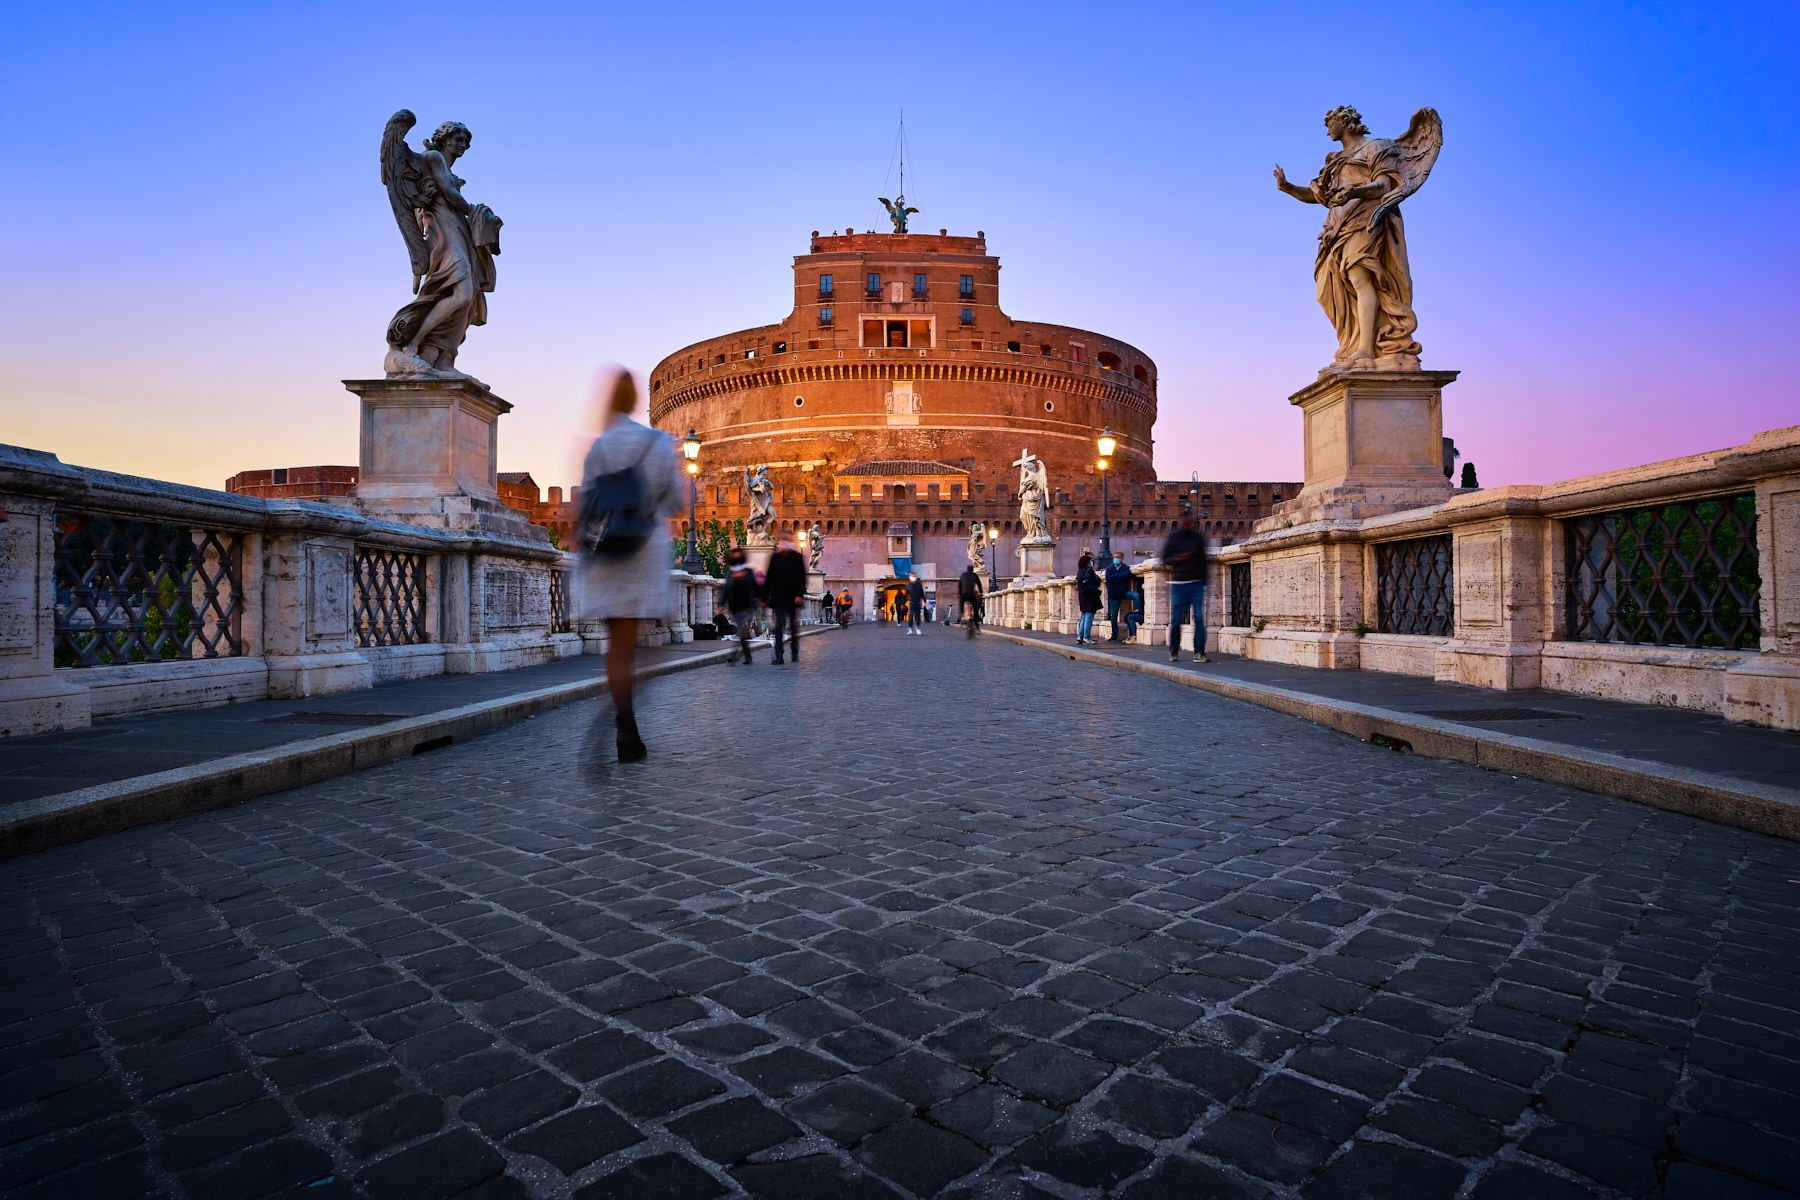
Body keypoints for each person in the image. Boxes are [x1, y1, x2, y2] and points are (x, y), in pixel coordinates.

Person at [577, 371, 680, 763]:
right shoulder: (656, 442)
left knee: (617, 649)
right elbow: (674, 498)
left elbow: (586, 501)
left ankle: (625, 718)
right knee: (657, 641)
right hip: (643, 551)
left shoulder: (599, 446)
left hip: (606, 554)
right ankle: (621, 717)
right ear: (636, 399)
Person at [1160, 516, 1210, 663]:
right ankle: (1173, 650)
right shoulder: (1174, 538)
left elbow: (1203, 560)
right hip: (1179, 584)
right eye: (1188, 521)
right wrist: (1178, 559)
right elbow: (1165, 559)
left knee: (1199, 619)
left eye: (1192, 522)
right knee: (1176, 620)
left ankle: (1199, 652)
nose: (1190, 524)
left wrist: (1205, 580)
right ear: (1182, 522)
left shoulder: (1197, 538)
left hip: (1197, 583)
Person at [766, 531, 807, 664]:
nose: (785, 542)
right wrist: (764, 596)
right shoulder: (776, 558)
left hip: (793, 597)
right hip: (779, 597)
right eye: (783, 539)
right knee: (778, 626)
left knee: (793, 626)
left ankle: (794, 651)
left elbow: (802, 578)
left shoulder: (797, 557)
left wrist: (799, 595)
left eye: (787, 539)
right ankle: (779, 655)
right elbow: (769, 578)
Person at [722, 548, 761, 664]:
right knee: (742, 630)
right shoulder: (729, 574)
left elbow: (755, 586)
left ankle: (737, 655)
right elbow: (725, 590)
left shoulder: (748, 572)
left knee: (742, 630)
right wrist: (721, 604)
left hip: (747, 605)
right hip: (735, 606)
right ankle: (743, 655)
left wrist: (762, 598)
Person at [1104, 551, 1133, 642]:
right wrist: (1120, 578)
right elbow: (1108, 578)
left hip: (1123, 592)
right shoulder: (1109, 569)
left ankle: (1134, 628)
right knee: (1114, 615)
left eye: (1117, 557)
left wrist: (1115, 576)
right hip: (1113, 594)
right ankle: (1114, 634)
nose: (1115, 559)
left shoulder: (1125, 568)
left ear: (1122, 559)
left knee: (1136, 596)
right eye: (1114, 557)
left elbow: (1126, 576)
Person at [1075, 552, 1101, 645]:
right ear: (1087, 562)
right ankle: (1087, 637)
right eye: (1091, 561)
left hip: (1082, 595)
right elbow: (1097, 582)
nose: (1092, 563)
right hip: (1090, 595)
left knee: (1083, 616)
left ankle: (1080, 636)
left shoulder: (1079, 571)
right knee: (1089, 616)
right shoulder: (1089, 571)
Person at [958, 563, 984, 638]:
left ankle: (962, 616)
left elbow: (959, 585)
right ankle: (977, 626)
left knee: (961, 605)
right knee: (975, 609)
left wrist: (960, 593)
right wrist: (981, 593)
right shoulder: (974, 575)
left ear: (966, 569)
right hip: (971, 594)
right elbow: (979, 584)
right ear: (972, 570)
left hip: (963, 594)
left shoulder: (963, 575)